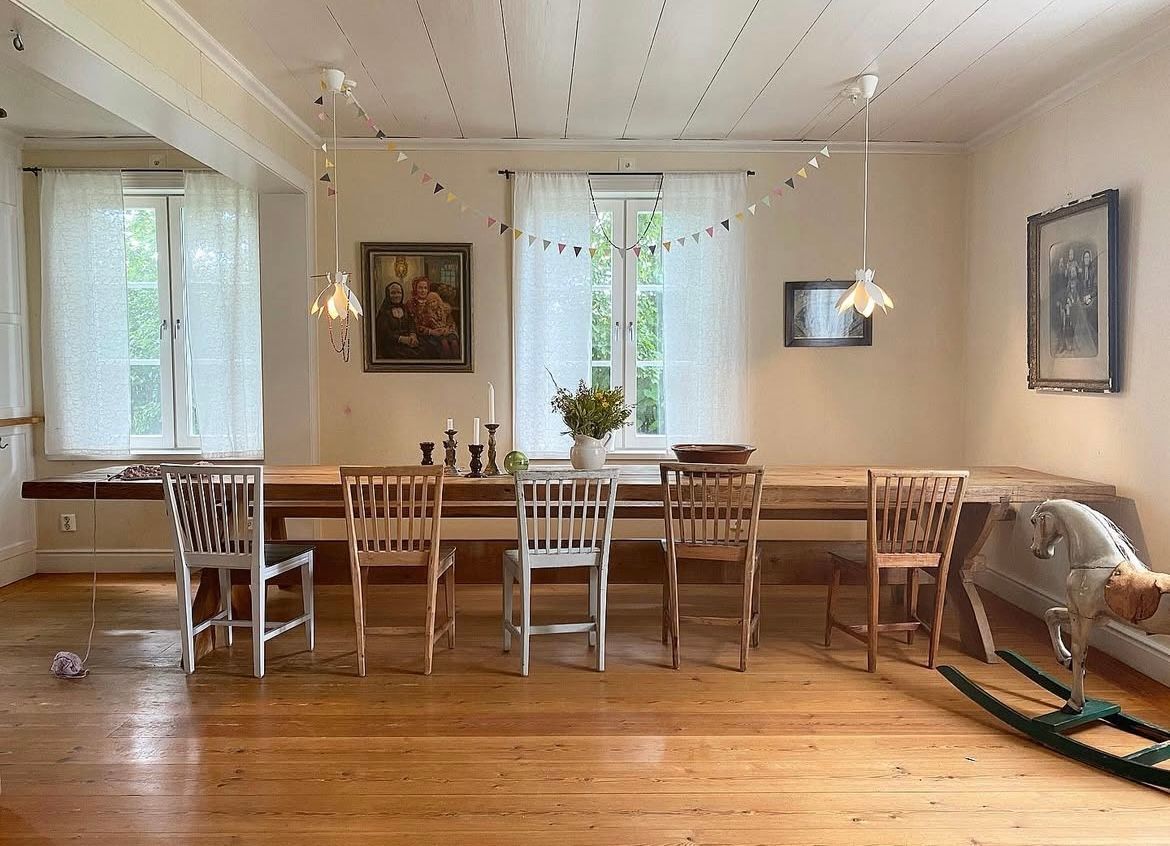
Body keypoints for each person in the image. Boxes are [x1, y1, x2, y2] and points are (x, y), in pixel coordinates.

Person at [406, 276, 460, 358]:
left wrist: (446, 329)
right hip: (424, 334)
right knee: (443, 345)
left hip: (442, 332)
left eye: (425, 288)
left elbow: (449, 320)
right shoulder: (411, 303)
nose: (423, 290)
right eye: (420, 288)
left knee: (454, 343)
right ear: (415, 289)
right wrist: (431, 331)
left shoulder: (434, 299)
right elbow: (413, 325)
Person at [374, 281, 419, 360]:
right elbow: (384, 334)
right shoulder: (384, 312)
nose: (397, 295)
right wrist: (401, 339)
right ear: (388, 295)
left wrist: (413, 335)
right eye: (393, 293)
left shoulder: (405, 309)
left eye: (399, 293)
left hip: (408, 343)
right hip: (391, 345)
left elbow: (411, 324)